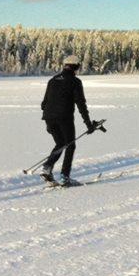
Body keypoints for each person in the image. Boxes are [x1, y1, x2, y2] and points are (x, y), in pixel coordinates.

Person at [40, 54, 94, 186]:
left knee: (60, 143)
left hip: (48, 117)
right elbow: (80, 104)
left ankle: (47, 167)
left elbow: (44, 103)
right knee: (70, 145)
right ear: (76, 67)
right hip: (64, 118)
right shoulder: (75, 82)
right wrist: (88, 124)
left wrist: (50, 116)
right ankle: (65, 176)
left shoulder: (53, 80)